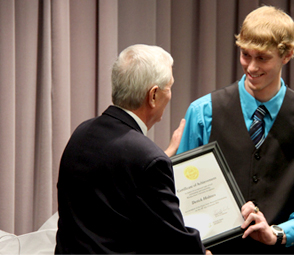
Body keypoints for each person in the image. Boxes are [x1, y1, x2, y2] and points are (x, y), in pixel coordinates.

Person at [177, 6, 294, 254]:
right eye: (245, 55)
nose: (251, 67)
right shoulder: (202, 113)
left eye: (262, 58)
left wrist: (278, 233)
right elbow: (181, 197)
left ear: (287, 55)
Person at [55, 44, 209, 254]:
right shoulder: (146, 158)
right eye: (169, 87)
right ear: (153, 95)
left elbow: (114, 183)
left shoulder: (82, 133)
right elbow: (175, 242)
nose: (171, 94)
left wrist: (165, 153)